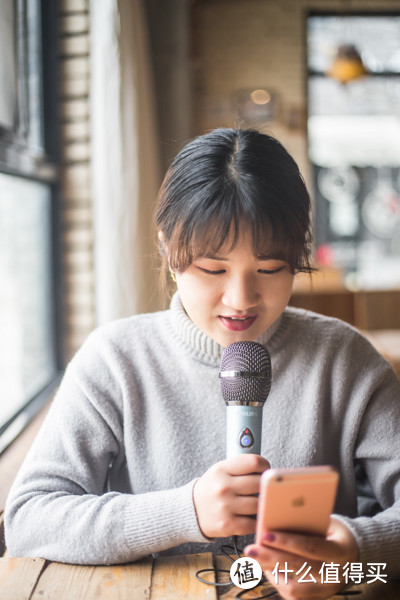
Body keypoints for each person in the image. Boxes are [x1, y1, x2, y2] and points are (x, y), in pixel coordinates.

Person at [4, 128, 400, 600]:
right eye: (213, 269)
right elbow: (30, 517)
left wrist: (357, 549)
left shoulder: (345, 358)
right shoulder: (114, 359)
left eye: (271, 268)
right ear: (168, 249)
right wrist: (183, 511)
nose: (241, 299)